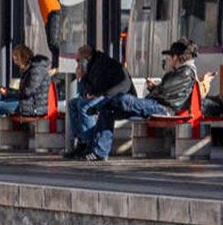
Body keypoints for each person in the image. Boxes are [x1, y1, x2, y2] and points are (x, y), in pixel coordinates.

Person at [68, 40, 199, 162]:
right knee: (107, 110)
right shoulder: (181, 72)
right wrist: (154, 87)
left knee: (124, 99)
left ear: (176, 57)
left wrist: (155, 88)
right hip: (155, 104)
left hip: (162, 108)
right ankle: (99, 152)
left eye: (170, 57)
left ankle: (94, 130)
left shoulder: (185, 72)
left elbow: (165, 92)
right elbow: (167, 90)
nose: (168, 60)